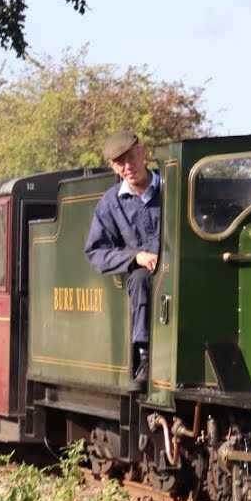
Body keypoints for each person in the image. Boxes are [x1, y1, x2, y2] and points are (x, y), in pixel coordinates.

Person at [84, 130, 160, 390]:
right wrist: (134, 257)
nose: (128, 167)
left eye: (131, 158)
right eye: (120, 163)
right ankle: (144, 358)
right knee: (139, 280)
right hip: (144, 277)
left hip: (178, 270)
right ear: (112, 167)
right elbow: (95, 251)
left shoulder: (172, 188)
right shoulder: (109, 203)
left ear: (142, 151)